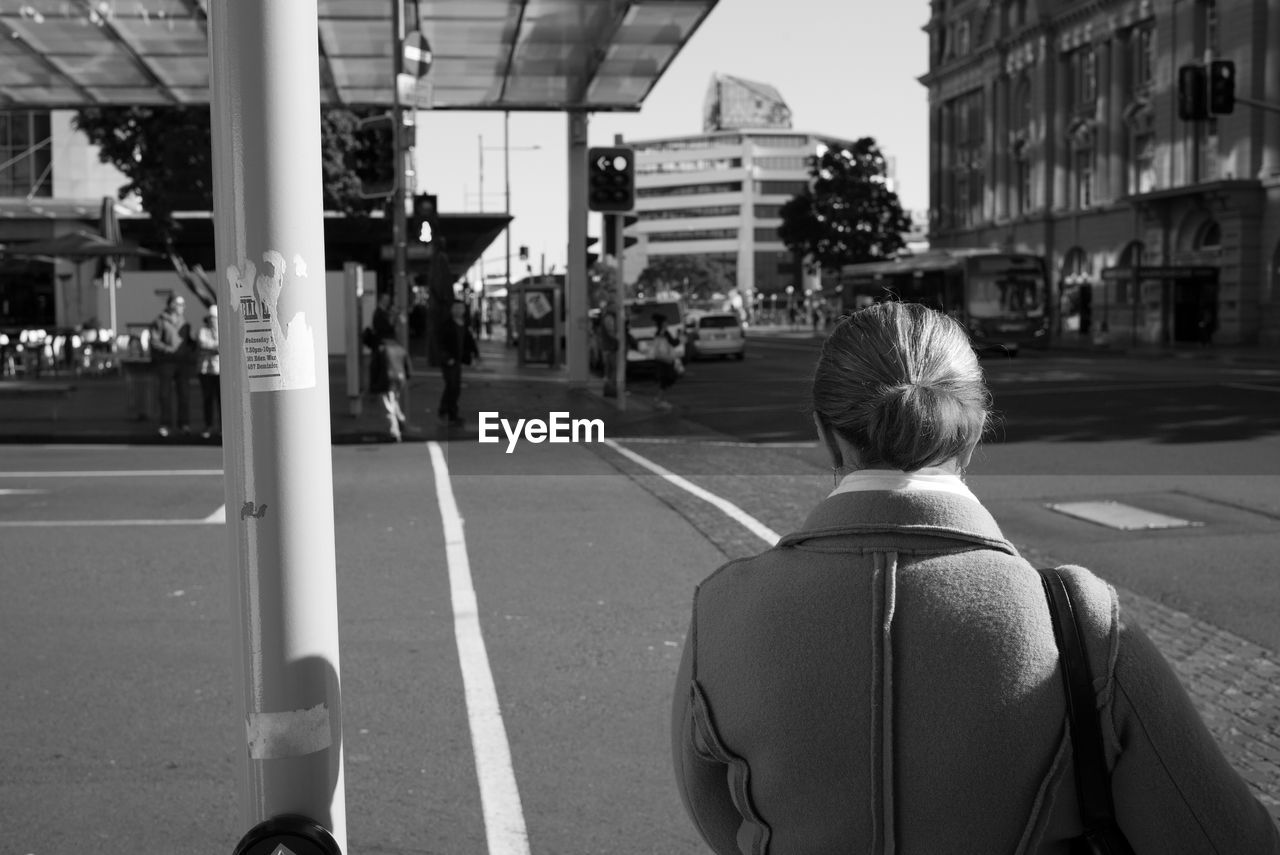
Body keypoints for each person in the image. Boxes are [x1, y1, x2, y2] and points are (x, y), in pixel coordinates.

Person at [671, 301, 1280, 854]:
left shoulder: (723, 608)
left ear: (827, 434)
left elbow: (721, 822)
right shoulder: (1076, 622)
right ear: (972, 427)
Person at [149, 293, 194, 438]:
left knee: (184, 394)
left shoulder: (185, 322)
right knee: (165, 395)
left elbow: (189, 341)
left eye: (183, 304)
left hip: (181, 363)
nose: (183, 307)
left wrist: (189, 349)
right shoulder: (160, 320)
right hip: (166, 362)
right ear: (171, 305)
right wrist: (168, 349)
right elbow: (154, 341)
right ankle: (165, 425)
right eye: (180, 304)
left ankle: (184, 424)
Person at [437, 299, 480, 427]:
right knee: (452, 386)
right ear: (452, 310)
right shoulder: (447, 325)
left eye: (461, 308)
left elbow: (469, 340)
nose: (458, 310)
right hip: (449, 360)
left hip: (458, 360)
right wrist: (446, 357)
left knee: (454, 387)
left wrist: (475, 354)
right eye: (456, 308)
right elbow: (440, 343)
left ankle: (449, 412)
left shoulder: (464, 324)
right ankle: (448, 412)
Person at [368, 314, 411, 442]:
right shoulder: (399, 349)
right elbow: (408, 367)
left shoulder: (382, 349)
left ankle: (394, 431)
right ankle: (401, 420)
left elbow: (374, 368)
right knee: (393, 401)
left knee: (388, 406)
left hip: (386, 380)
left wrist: (373, 386)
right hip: (399, 380)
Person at [196, 303, 220, 439]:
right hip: (205, 370)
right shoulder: (202, 331)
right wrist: (216, 347)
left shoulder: (224, 329)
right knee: (207, 399)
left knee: (221, 400)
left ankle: (223, 428)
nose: (212, 320)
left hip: (220, 372)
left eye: (215, 318)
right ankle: (208, 426)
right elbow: (202, 343)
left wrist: (214, 347)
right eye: (211, 318)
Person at [650, 313, 679, 410]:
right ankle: (659, 400)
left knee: (665, 380)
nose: (667, 323)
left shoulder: (658, 332)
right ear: (662, 323)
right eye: (666, 321)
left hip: (661, 359)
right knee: (666, 380)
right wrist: (681, 338)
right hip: (665, 360)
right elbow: (673, 343)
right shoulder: (664, 333)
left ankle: (659, 400)